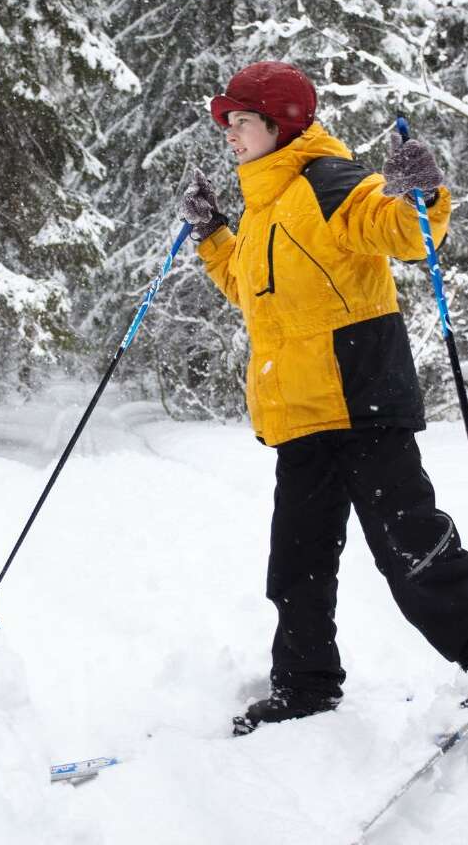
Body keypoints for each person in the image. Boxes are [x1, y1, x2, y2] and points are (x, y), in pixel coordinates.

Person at [180, 60, 468, 734]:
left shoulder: (329, 182)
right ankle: (305, 685)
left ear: (280, 125)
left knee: (412, 554)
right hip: (302, 417)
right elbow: (249, 291)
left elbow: (403, 231)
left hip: (362, 406)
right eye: (226, 123)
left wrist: (422, 194)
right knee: (296, 566)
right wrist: (214, 234)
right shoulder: (263, 209)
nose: (229, 134)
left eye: (240, 121)